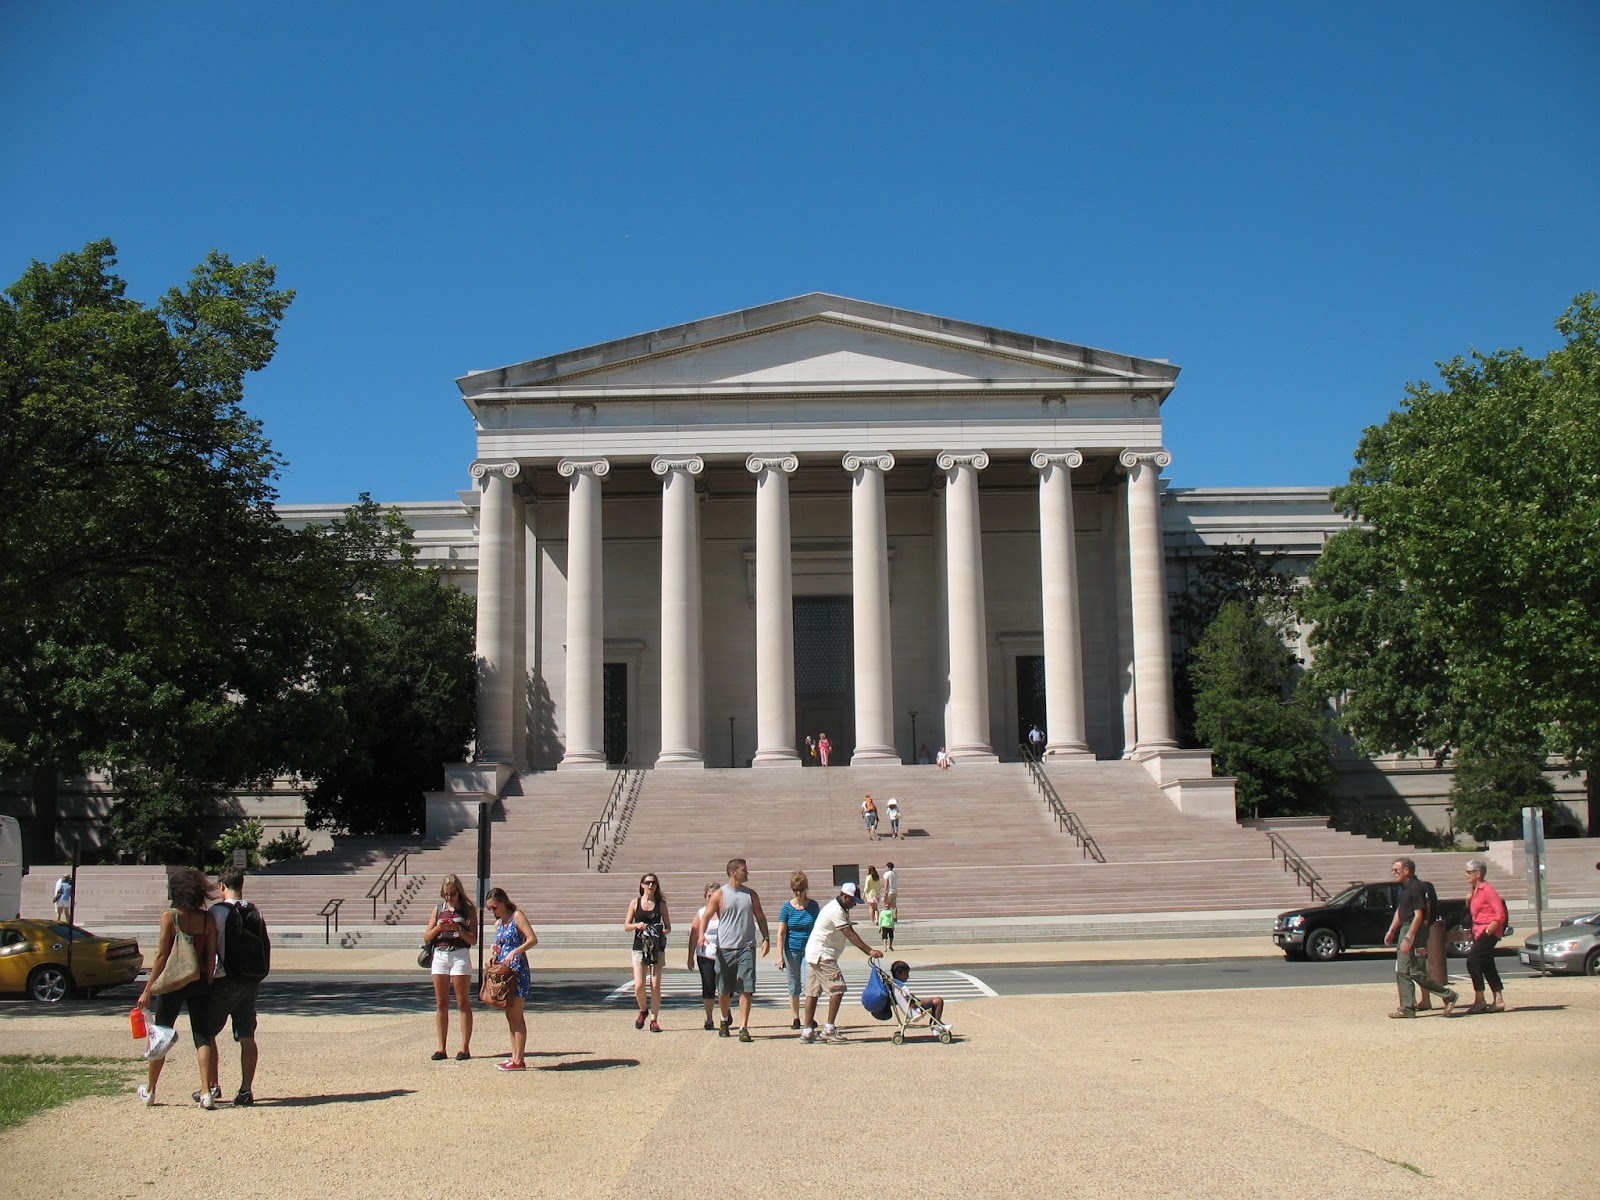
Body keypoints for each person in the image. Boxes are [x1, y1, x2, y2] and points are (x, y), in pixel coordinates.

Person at [135, 867, 216, 1107]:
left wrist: (148, 988)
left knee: (160, 1033)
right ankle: (206, 1091)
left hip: (172, 982)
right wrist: (208, 979)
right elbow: (211, 955)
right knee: (202, 1036)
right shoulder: (207, 918)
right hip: (198, 980)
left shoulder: (170, 917)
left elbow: (161, 955)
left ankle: (150, 1090)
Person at [199, 868, 268, 1107]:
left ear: (221, 886)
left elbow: (210, 950)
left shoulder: (217, 912)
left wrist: (206, 977)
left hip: (225, 979)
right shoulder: (255, 910)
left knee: (206, 1032)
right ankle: (246, 1090)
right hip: (251, 980)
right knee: (247, 1036)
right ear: (242, 884)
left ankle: (211, 1085)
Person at [800, 882, 883, 1044]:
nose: (854, 904)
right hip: (823, 955)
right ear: (845, 897)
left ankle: (807, 1030)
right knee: (838, 988)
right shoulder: (836, 910)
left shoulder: (838, 908)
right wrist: (869, 951)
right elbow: (850, 934)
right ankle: (829, 1029)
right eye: (853, 901)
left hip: (814, 953)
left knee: (813, 992)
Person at [699, 858, 770, 1042]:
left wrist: (766, 938)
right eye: (744, 870)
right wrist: (701, 935)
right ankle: (724, 1019)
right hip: (725, 948)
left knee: (746, 988)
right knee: (723, 990)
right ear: (733, 872)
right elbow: (706, 917)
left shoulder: (751, 895)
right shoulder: (720, 894)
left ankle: (743, 1027)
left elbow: (760, 917)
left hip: (746, 946)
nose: (747, 873)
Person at [1383, 858, 1458, 1018]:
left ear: (1407, 870)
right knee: (1402, 971)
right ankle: (1407, 1008)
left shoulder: (1416, 888)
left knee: (1416, 971)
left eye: (1397, 870)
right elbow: (1400, 911)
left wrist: (1409, 937)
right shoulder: (1403, 889)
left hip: (1414, 931)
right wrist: (1392, 930)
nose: (1393, 872)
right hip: (1404, 928)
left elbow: (1419, 915)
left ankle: (1448, 995)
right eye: (1393, 870)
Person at [423, 873, 477, 1060]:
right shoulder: (438, 909)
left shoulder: (468, 910)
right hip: (440, 955)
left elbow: (473, 939)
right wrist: (438, 928)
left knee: (462, 1002)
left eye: (452, 894)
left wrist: (458, 929)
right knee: (441, 1002)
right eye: (446, 894)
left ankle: (464, 1047)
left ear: (459, 893)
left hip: (460, 955)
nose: (449, 897)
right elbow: (427, 936)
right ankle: (441, 1047)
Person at [484, 887, 538, 1069]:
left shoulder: (517, 916)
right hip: (503, 970)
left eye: (495, 907)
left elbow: (532, 939)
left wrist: (516, 951)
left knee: (516, 1014)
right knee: (509, 1014)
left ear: (503, 902)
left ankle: (519, 1059)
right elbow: (499, 945)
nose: (493, 911)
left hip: (517, 969)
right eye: (490, 908)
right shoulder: (499, 924)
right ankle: (514, 1055)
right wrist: (495, 955)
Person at [1461, 859, 1509, 1015]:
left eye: (1469, 872)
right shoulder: (1475, 891)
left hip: (1487, 931)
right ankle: (1498, 999)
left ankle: (1480, 999)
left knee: (1472, 961)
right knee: (1487, 965)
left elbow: (1500, 914)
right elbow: (1476, 913)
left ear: (1478, 873)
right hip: (1478, 930)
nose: (1466, 875)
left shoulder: (1488, 890)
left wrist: (1489, 931)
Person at [624, 872, 670, 1032]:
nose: (651, 886)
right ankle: (643, 1010)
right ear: (642, 885)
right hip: (639, 946)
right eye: (648, 883)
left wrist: (657, 931)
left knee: (655, 984)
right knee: (639, 985)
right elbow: (626, 926)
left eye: (654, 883)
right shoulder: (635, 903)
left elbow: (668, 928)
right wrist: (638, 926)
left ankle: (654, 1020)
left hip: (656, 947)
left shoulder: (661, 904)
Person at [776, 870, 820, 1031]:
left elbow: (819, 928)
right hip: (792, 949)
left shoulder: (813, 906)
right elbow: (781, 933)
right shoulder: (787, 908)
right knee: (794, 983)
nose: (799, 893)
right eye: (796, 890)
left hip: (810, 949)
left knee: (810, 984)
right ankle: (796, 1017)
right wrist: (779, 956)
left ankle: (810, 1017)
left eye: (801, 889)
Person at [686, 882, 722, 1030]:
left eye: (714, 895)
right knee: (708, 986)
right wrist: (690, 956)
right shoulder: (701, 913)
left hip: (723, 953)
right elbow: (694, 934)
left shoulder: (724, 912)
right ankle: (709, 1018)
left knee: (725, 987)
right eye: (709, 895)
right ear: (705, 897)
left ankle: (725, 1013)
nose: (711, 898)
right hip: (705, 954)